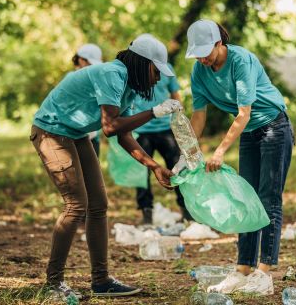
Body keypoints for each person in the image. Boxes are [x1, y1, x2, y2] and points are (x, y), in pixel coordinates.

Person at [30, 34, 182, 299]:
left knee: (98, 204)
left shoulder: (130, 87)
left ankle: (101, 281)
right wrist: (154, 112)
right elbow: (110, 127)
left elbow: (123, 135)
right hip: (51, 131)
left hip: (75, 134)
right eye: (156, 71)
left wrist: (154, 166)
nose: (158, 78)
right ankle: (52, 283)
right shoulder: (112, 74)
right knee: (76, 205)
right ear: (142, 63)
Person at [180, 19, 294, 296]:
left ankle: (264, 273)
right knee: (246, 199)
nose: (203, 58)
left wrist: (219, 151)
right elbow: (198, 115)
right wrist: (188, 154)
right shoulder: (199, 71)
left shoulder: (241, 60)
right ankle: (243, 268)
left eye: (206, 51)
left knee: (268, 198)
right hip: (250, 133)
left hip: (273, 127)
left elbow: (243, 113)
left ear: (220, 43)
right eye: (197, 53)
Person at [128, 49, 192, 224]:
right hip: (141, 130)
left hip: (165, 128)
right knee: (142, 173)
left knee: (177, 168)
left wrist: (179, 122)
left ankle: (187, 211)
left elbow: (176, 96)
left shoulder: (167, 69)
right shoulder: (135, 72)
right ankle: (146, 213)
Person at [72, 43, 103, 155]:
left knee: (94, 171)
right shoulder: (70, 80)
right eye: (89, 62)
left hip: (92, 137)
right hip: (74, 138)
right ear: (81, 60)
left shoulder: (94, 78)